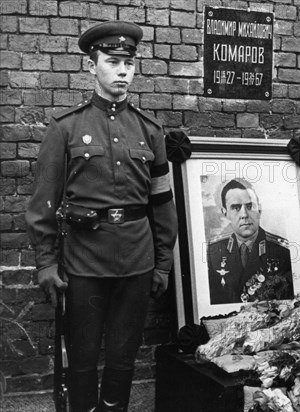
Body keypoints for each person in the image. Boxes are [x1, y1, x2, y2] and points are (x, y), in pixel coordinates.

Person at [25, 21, 177, 412]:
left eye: (129, 63)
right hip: (84, 260)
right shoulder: (66, 128)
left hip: (137, 260)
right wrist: (46, 262)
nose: (123, 71)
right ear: (92, 66)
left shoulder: (150, 130)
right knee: (83, 357)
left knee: (124, 356)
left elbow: (161, 203)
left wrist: (162, 263)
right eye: (113, 62)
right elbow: (43, 202)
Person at [207, 179, 293, 304]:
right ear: (225, 213)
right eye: (236, 207)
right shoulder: (214, 252)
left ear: (259, 209)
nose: (244, 214)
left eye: (249, 206)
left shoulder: (282, 251)